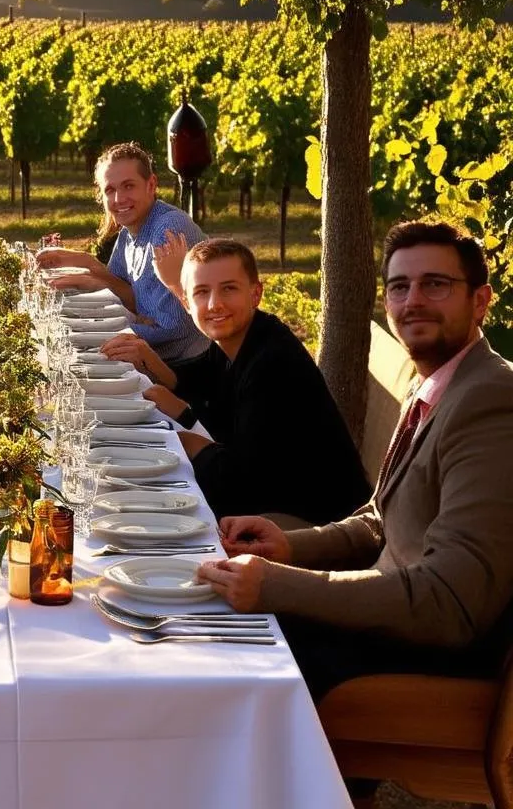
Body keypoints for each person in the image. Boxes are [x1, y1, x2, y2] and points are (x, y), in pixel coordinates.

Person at [196, 221, 513, 701]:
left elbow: (450, 603)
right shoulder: (441, 382)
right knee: (207, 616)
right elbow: (381, 519)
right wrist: (289, 547)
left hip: (423, 665)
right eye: (400, 287)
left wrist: (281, 586)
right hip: (388, 623)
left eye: (436, 284)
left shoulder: (491, 400)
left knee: (222, 657)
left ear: (480, 300)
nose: (413, 301)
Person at [131, 237, 369, 525]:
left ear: (255, 294)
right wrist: (145, 360)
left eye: (229, 289)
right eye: (201, 292)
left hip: (319, 524)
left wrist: (182, 439)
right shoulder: (235, 342)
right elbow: (198, 377)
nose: (215, 304)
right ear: (186, 302)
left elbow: (240, 487)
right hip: (273, 500)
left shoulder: (273, 363)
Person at [35, 142, 209, 365]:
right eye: (110, 190)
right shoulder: (131, 232)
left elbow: (171, 328)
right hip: (154, 360)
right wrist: (86, 263)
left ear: (151, 184)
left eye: (128, 186)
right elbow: (125, 295)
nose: (118, 199)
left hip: (186, 368)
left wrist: (86, 331)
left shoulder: (167, 230)